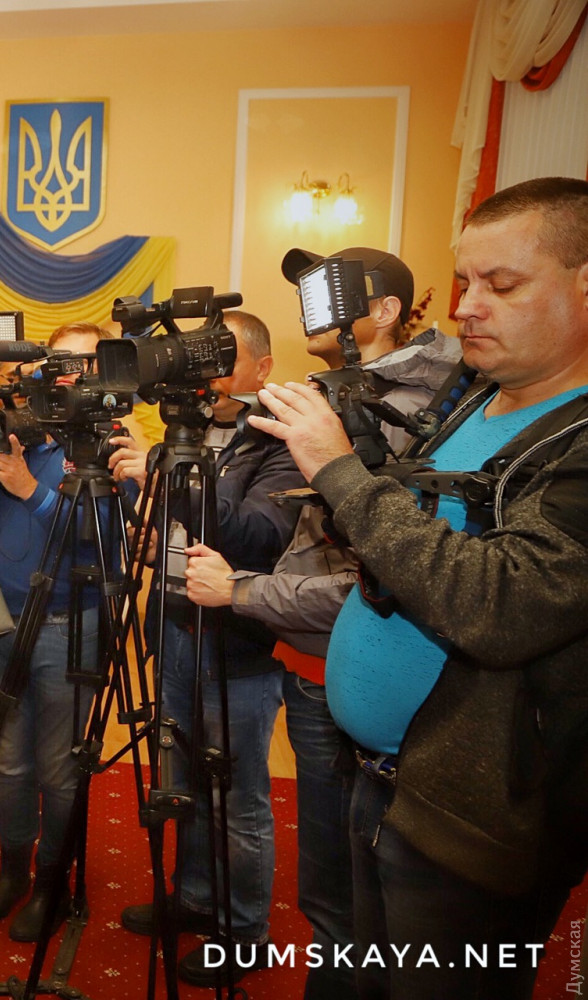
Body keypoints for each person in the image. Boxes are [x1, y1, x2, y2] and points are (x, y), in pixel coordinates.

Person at [248, 177, 588, 999]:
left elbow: (498, 604)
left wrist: (338, 471)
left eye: (501, 284)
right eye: (465, 281)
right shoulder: (476, 394)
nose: (467, 306)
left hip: (469, 817)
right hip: (376, 776)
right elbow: (414, 534)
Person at [181, 247, 460, 1000]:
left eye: (330, 293)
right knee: (332, 888)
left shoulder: (428, 405)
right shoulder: (323, 395)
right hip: (313, 666)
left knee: (375, 898)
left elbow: (385, 568)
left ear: (386, 310)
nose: (313, 307)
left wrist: (241, 590)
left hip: (377, 662)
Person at [108, 310, 305, 988]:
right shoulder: (181, 433)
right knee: (183, 781)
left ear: (262, 368)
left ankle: (244, 931)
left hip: (237, 643)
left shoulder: (279, 437)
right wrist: (149, 531)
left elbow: (257, 533)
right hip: (172, 625)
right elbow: (174, 529)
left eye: (222, 358)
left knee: (237, 800)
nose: (207, 374)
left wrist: (168, 476)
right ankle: (193, 898)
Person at [0, 321, 122, 943]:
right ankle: (13, 870)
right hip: (0, 624)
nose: (70, 375)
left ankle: (52, 884)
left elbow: (100, 538)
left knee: (58, 769)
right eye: (60, 362)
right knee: (6, 762)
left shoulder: (109, 443)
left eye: (84, 364)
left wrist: (30, 488)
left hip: (69, 624)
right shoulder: (19, 430)